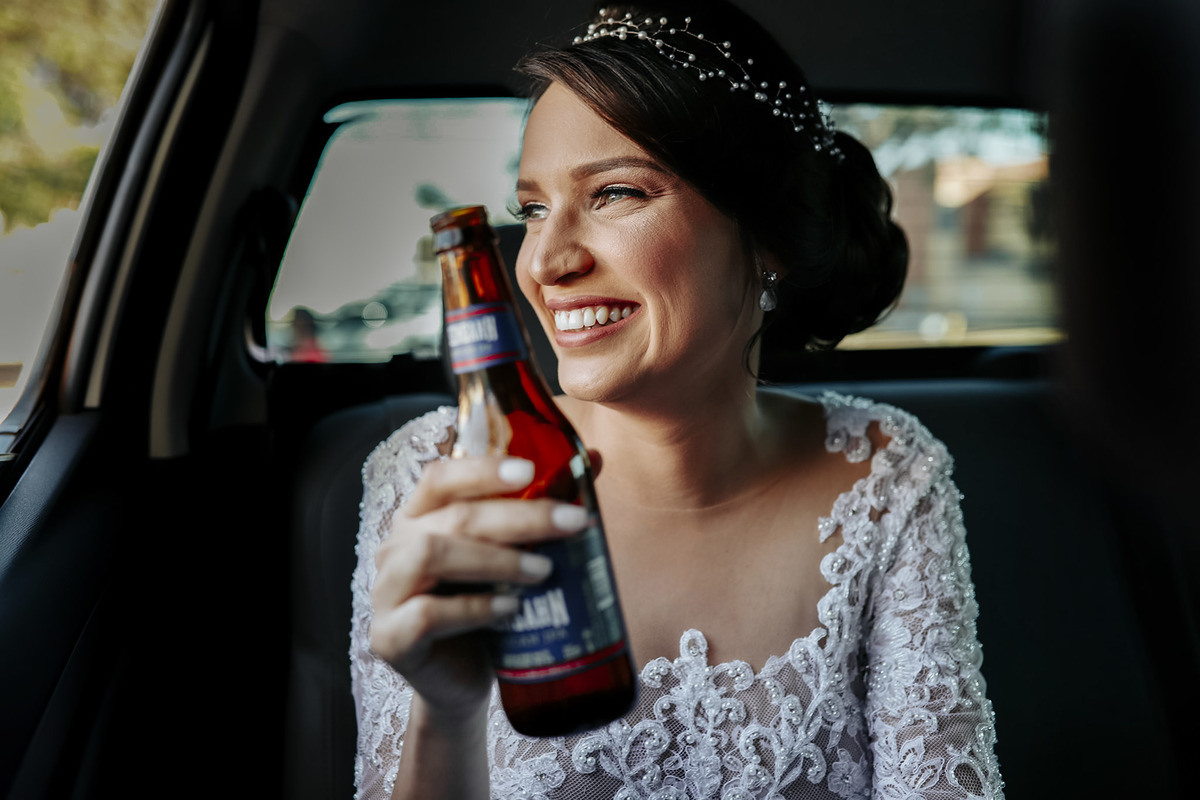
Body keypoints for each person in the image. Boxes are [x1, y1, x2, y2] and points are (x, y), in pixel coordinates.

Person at [350, 1, 1004, 797]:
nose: (545, 263)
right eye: (532, 209)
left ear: (765, 235)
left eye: (615, 193)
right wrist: (445, 714)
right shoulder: (432, 476)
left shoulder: (887, 476)